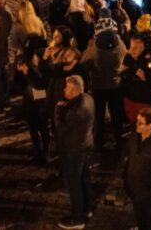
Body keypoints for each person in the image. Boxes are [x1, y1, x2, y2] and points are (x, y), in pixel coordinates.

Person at [55, 75, 95, 229]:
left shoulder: (75, 112)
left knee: (74, 183)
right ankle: (88, 207)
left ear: (75, 90)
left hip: (74, 149)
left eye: (67, 87)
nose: (64, 89)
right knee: (84, 177)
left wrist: (58, 111)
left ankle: (78, 218)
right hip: (85, 144)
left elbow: (61, 130)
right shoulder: (88, 99)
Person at [82, 17, 127, 150]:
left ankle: (98, 142)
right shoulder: (120, 44)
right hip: (116, 86)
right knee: (116, 115)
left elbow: (83, 63)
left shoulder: (94, 47)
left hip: (98, 87)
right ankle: (119, 140)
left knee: (98, 117)